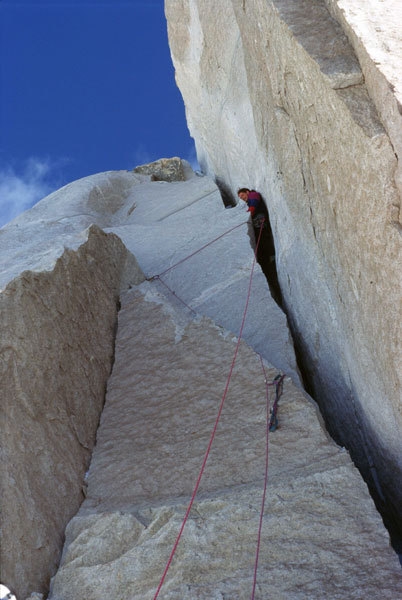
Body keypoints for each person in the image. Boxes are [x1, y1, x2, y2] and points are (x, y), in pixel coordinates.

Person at [237, 187, 282, 305]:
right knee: (261, 241)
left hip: (261, 220)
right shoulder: (250, 200)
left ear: (246, 192)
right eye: (240, 197)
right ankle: (268, 259)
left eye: (242, 195)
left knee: (264, 239)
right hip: (259, 221)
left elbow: (255, 199)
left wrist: (251, 209)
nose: (242, 198)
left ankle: (271, 257)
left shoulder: (253, 195)